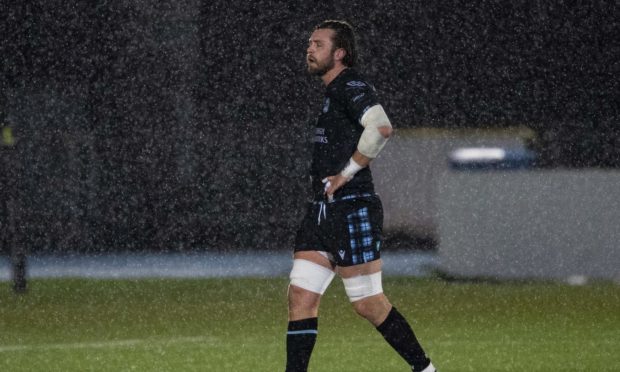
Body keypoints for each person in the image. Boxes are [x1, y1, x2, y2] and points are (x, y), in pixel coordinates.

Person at [285, 20, 436, 372]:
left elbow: (381, 127)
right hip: (321, 210)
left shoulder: (349, 85)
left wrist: (346, 173)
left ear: (340, 53)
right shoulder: (332, 91)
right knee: (301, 298)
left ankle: (425, 370)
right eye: (309, 43)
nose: (310, 49)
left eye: (318, 44)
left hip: (352, 208)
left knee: (368, 303)